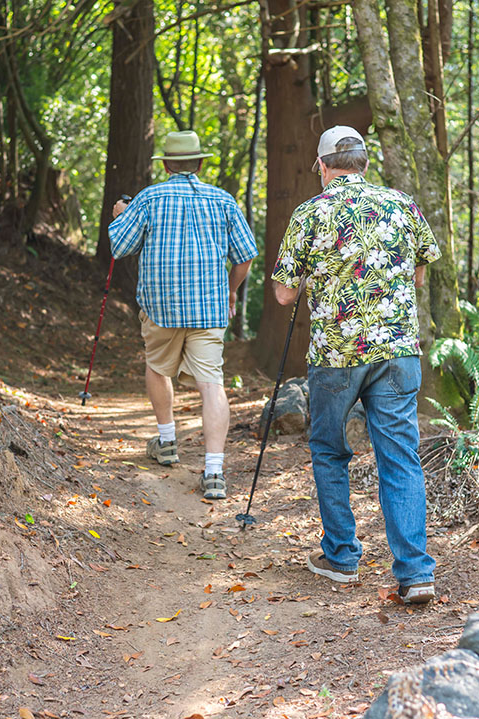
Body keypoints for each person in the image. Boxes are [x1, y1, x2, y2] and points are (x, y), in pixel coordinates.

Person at [270, 125, 441, 604]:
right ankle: (415, 572)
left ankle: (342, 558)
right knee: (400, 457)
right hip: (397, 352)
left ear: (323, 166)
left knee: (329, 449)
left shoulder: (310, 213)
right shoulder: (402, 205)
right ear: (364, 163)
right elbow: (420, 274)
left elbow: (284, 294)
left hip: (337, 357)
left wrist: (312, 278)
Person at [109, 130, 258, 500]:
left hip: (161, 307)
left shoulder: (150, 198)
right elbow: (246, 256)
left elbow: (120, 246)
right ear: (200, 163)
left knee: (158, 367)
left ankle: (168, 442)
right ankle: (214, 471)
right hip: (209, 307)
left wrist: (121, 216)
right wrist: (231, 290)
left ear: (167, 165)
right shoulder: (223, 201)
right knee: (212, 385)